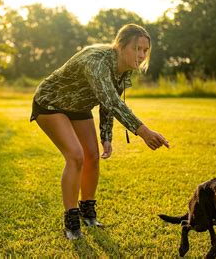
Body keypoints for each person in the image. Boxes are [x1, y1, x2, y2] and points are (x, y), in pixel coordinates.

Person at [30, 23, 170, 240]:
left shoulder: (123, 69)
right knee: (76, 156)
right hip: (51, 102)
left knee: (92, 156)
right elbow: (112, 101)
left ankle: (88, 212)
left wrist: (106, 136)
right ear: (121, 45)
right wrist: (144, 132)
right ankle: (71, 220)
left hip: (79, 107)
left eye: (145, 50)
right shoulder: (96, 61)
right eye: (137, 48)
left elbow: (107, 104)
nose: (142, 55)